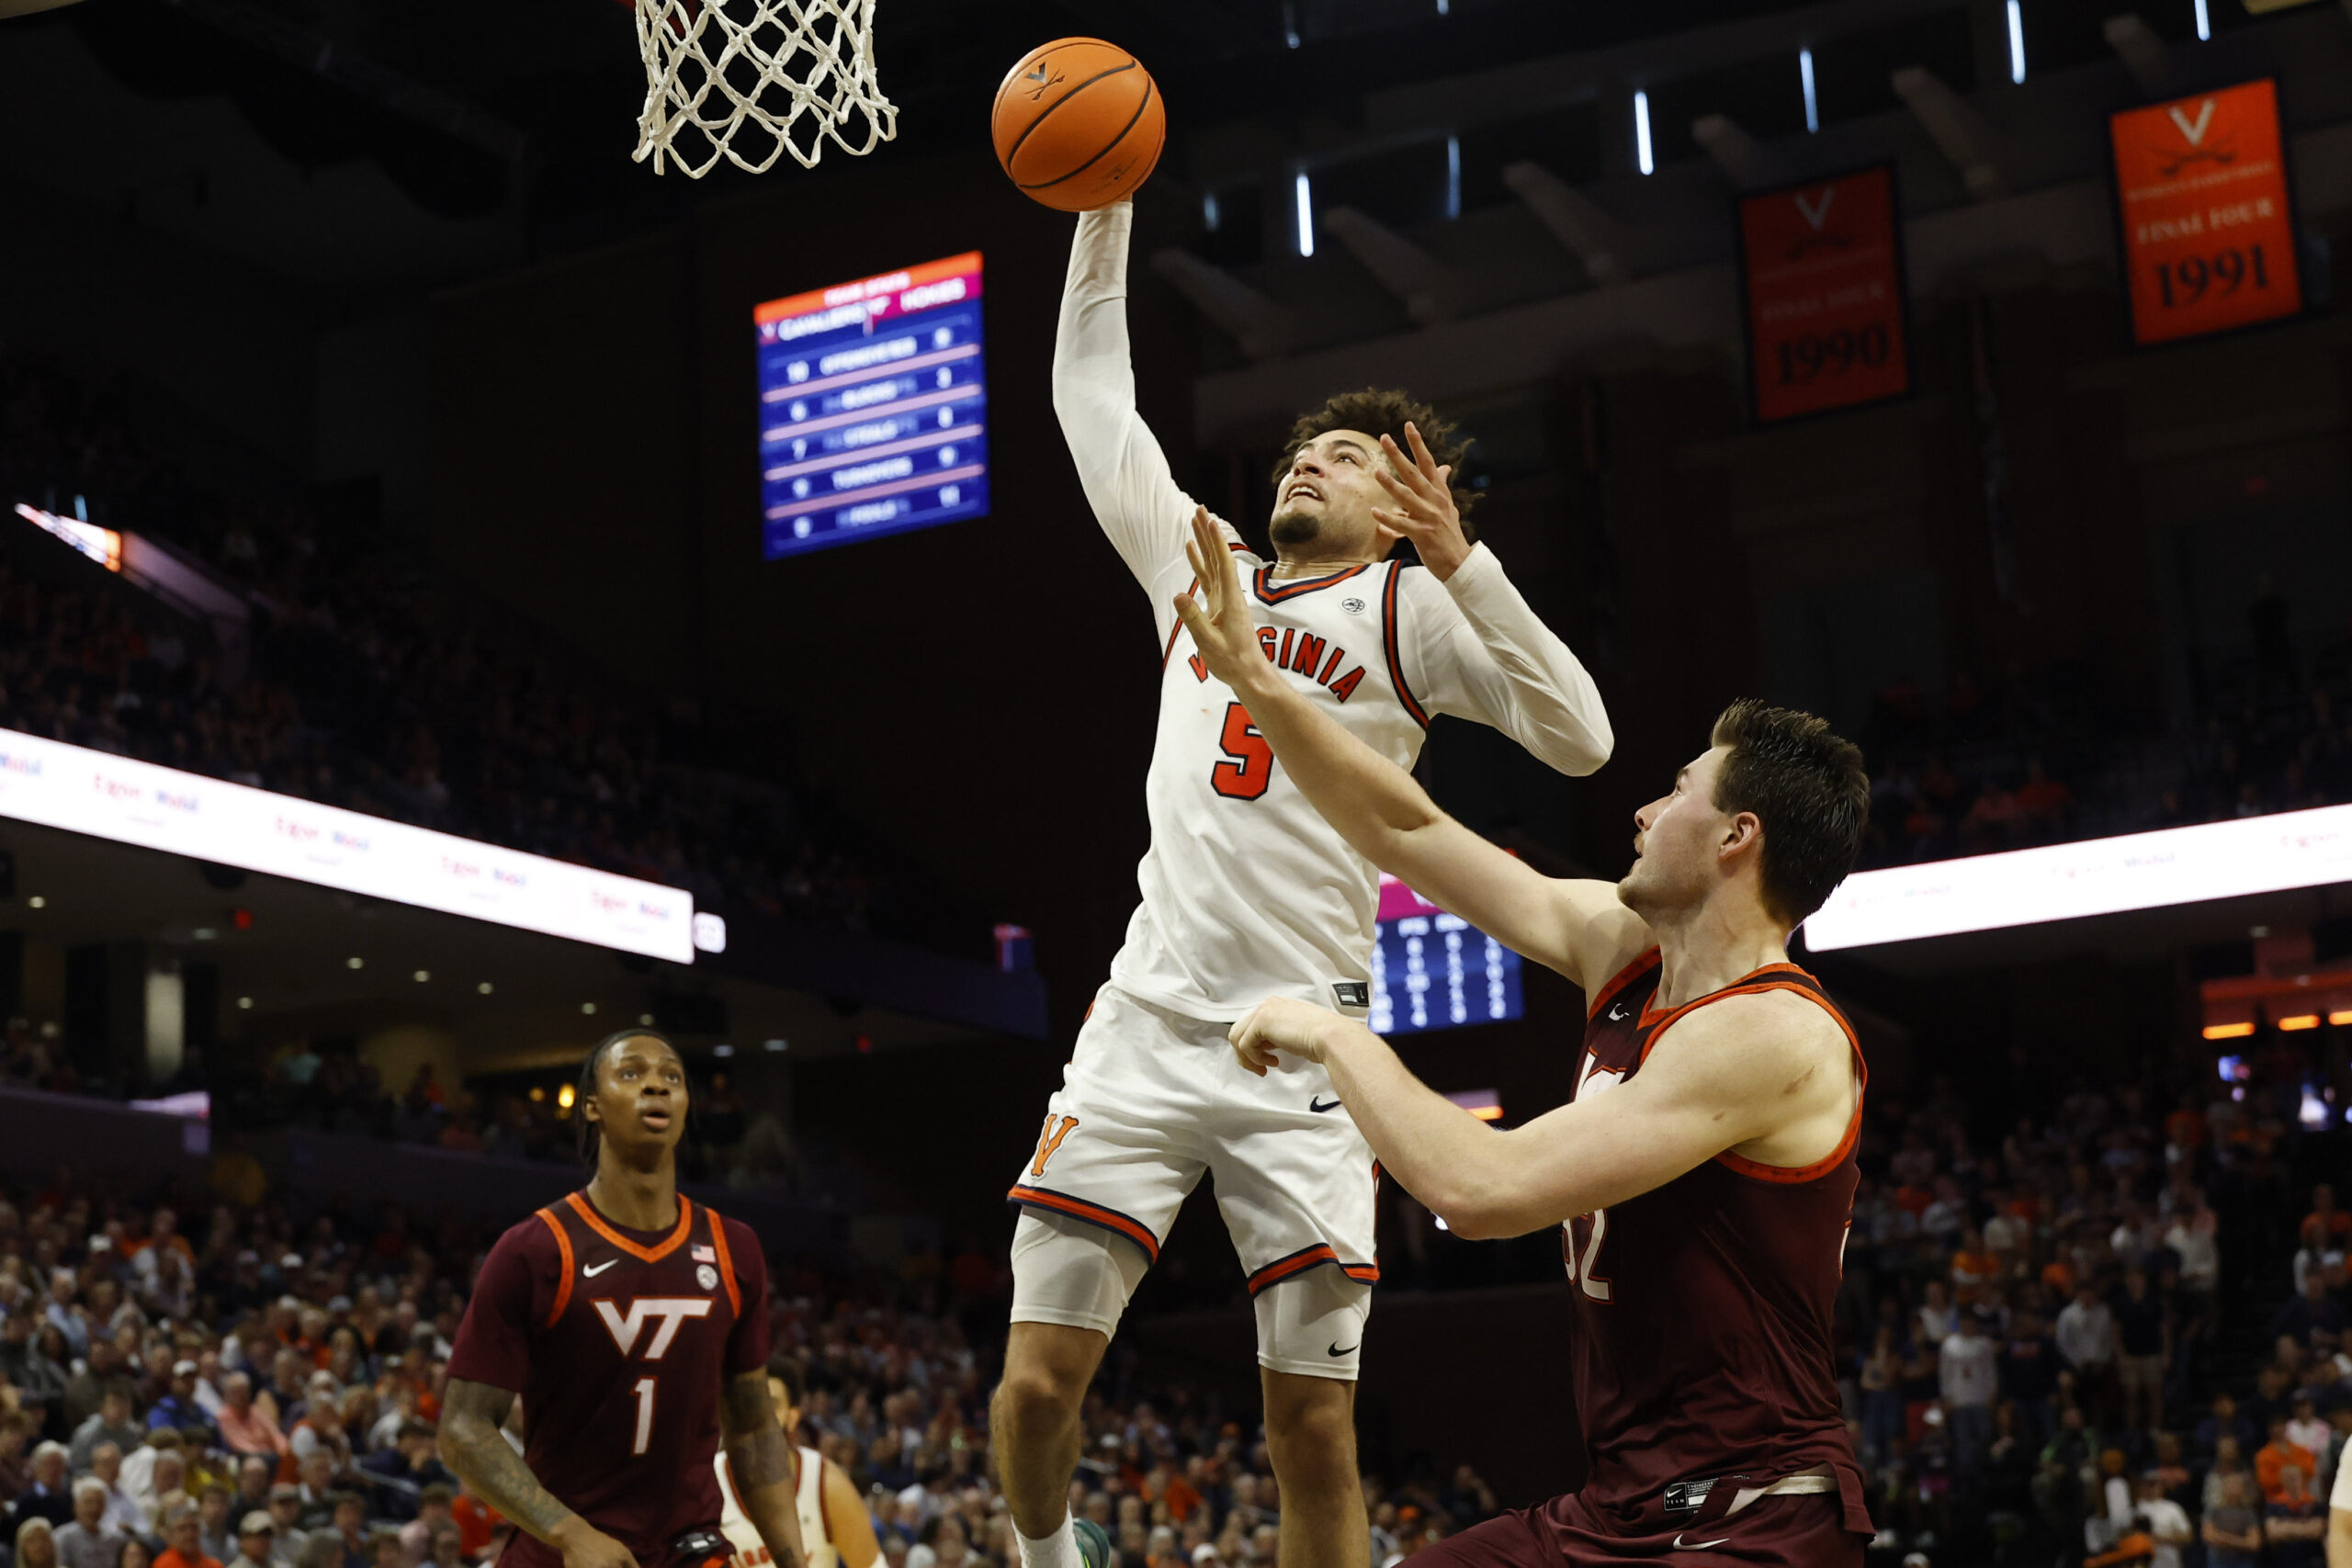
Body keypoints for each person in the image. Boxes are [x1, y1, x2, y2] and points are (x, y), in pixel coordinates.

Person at [996, 198, 1613, 1568]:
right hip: (1148, 1020)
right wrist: (1106, 208)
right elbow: (1089, 387)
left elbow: (1583, 736)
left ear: (1398, 506)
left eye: (1341, 455)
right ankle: (1046, 1553)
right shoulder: (1194, 562)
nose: (1306, 461)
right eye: (1300, 447)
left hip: (1314, 1046)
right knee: (1036, 1383)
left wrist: (1463, 559)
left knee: (1311, 1433)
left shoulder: (1412, 611)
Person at [1175, 528, 1870, 1564]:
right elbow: (1408, 832)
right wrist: (1257, 681)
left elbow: (1479, 1190)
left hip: (1752, 1519)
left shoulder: (1773, 1033)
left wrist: (1330, 1033)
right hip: (1619, 1507)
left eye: (1676, 789)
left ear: (1737, 837)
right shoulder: (1625, 950)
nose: (1642, 809)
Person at [436, 1030, 813, 1568]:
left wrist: (793, 1561)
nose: (656, 1086)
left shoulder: (735, 1247)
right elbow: (461, 1428)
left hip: (691, 1546)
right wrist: (569, 1534)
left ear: (685, 1105)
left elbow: (753, 1428)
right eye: (632, 1073)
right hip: (564, 1550)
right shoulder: (535, 1248)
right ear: (592, 1105)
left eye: (672, 1077)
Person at [715, 1359, 877, 1568]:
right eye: (749, 1402)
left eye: (771, 1404)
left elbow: (872, 1564)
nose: (758, 1414)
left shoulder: (826, 1482)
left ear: (792, 1417)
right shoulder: (709, 1482)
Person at [53, 1482, 123, 1568]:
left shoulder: (116, 1539)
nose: (94, 1508)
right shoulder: (63, 1537)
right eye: (88, 1502)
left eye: (99, 1503)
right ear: (76, 1505)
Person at [156, 1506, 224, 1568]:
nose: (190, 1533)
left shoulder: (214, 1565)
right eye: (182, 1528)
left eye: (194, 1527)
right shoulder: (164, 1565)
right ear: (170, 1535)